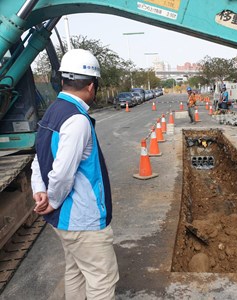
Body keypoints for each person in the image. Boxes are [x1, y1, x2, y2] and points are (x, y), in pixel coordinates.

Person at [31, 49, 119, 299]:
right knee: (102, 280)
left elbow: (39, 158)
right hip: (82, 220)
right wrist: (53, 201)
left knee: (76, 271)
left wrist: (39, 190)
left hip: (66, 222)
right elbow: (61, 174)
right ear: (91, 86)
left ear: (62, 81)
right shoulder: (76, 120)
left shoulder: (52, 111)